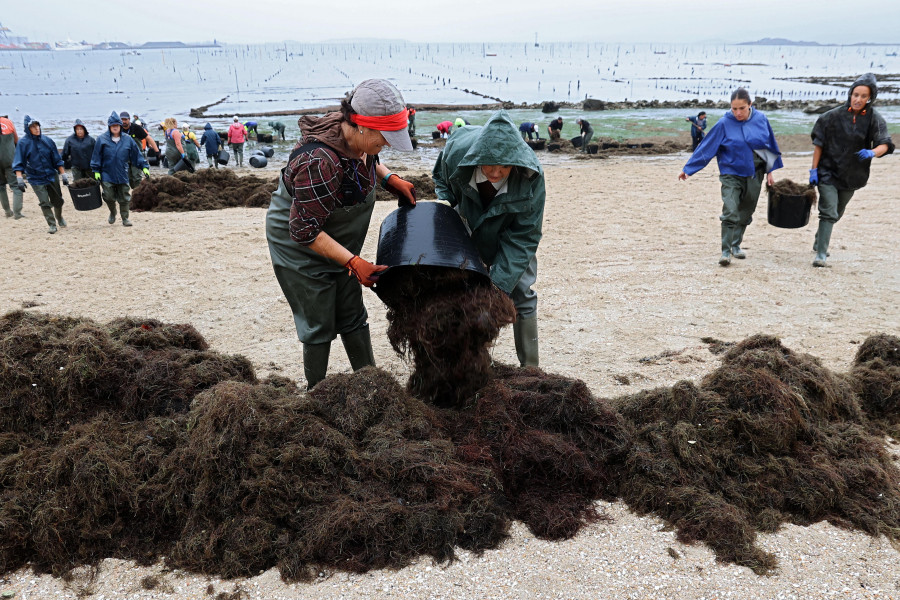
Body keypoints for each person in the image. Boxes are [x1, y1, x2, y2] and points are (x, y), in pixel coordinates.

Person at [265, 78, 416, 389]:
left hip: (336, 235)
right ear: (361, 125)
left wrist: (389, 178)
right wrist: (353, 262)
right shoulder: (319, 162)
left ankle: (370, 381)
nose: (386, 144)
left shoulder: (357, 137)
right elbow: (305, 229)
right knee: (318, 318)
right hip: (301, 242)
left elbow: (368, 156)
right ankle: (316, 391)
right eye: (384, 137)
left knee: (350, 308)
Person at [432, 109, 545, 367]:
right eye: (489, 165)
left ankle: (531, 368)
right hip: (470, 218)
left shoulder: (532, 176)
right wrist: (455, 209)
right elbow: (441, 177)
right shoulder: (457, 152)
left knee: (521, 291)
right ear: (478, 157)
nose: (495, 173)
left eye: (504, 167)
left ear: (515, 162)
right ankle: (468, 360)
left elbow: (525, 236)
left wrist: (498, 288)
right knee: (465, 288)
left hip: (511, 228)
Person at [678, 88, 782, 266]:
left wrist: (770, 171)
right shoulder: (724, 123)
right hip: (730, 173)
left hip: (755, 173)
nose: (738, 113)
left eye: (741, 108)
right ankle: (725, 251)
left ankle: (736, 245)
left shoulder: (761, 120)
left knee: (746, 211)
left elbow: (768, 145)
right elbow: (707, 146)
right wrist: (689, 168)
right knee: (730, 210)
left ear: (750, 105)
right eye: (734, 109)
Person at [808, 73, 894, 267]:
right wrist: (814, 170)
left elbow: (885, 144)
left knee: (837, 212)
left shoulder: (875, 119)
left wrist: (872, 152)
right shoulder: (831, 117)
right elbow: (818, 144)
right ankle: (821, 254)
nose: (858, 99)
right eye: (856, 94)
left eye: (863, 96)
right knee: (828, 211)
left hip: (854, 174)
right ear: (850, 94)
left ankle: (818, 239)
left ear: (870, 98)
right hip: (827, 171)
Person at [91, 111, 150, 227]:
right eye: (113, 126)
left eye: (117, 125)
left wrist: (144, 167)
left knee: (124, 197)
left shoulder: (128, 140)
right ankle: (113, 211)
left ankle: (125, 218)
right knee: (108, 196)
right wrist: (96, 170)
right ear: (109, 127)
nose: (115, 128)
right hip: (106, 172)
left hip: (123, 172)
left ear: (120, 126)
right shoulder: (101, 139)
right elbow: (96, 156)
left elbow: (136, 155)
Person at [12, 115, 68, 234]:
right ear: (28, 129)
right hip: (35, 178)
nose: (36, 128)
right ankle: (52, 224)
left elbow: (57, 160)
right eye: (33, 126)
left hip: (51, 175)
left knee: (58, 200)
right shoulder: (23, 143)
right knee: (44, 202)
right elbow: (18, 162)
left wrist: (63, 175)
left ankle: (59, 217)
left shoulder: (48, 141)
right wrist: (20, 179)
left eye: (37, 125)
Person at [120, 111, 159, 188]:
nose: (124, 121)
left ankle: (137, 195)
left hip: (136, 156)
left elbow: (149, 138)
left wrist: (157, 151)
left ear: (129, 119)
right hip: (125, 157)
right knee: (129, 179)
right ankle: (135, 189)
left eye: (125, 119)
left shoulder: (136, 128)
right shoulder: (118, 129)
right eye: (122, 119)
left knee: (136, 178)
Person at [0, 113, 23, 219]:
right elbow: (16, 140)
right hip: (10, 159)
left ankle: (8, 212)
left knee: (1, 187)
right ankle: (17, 213)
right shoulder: (8, 122)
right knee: (16, 186)